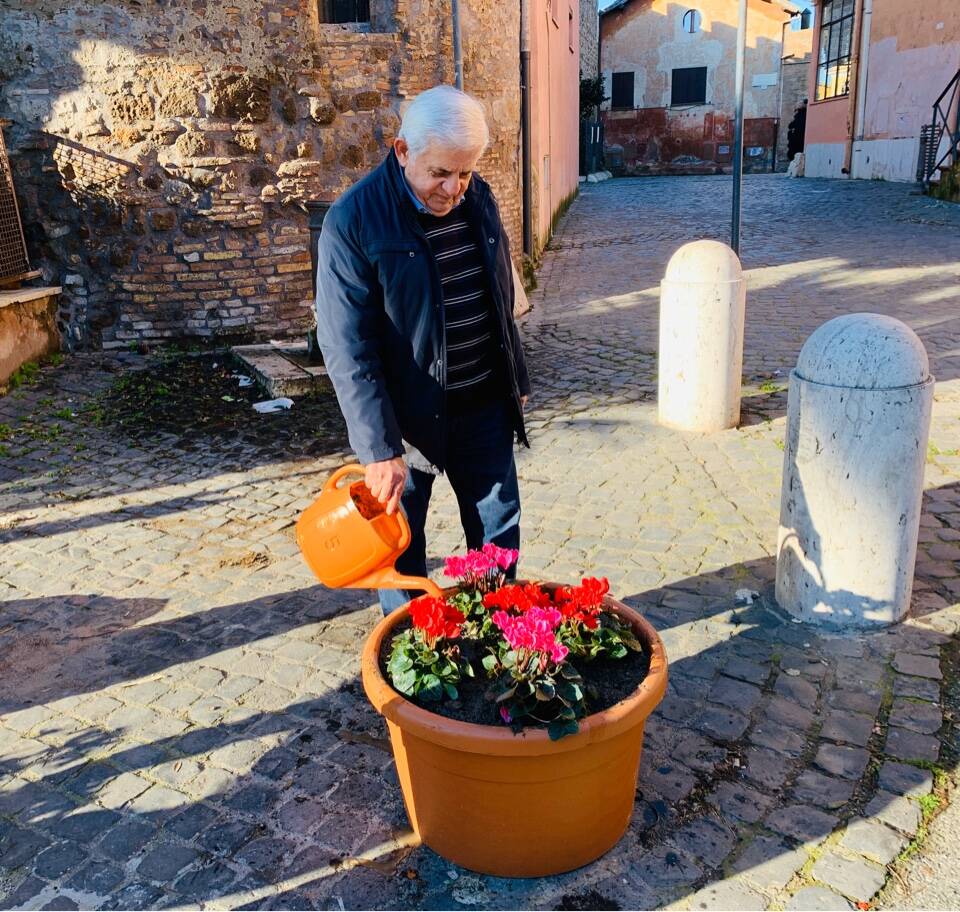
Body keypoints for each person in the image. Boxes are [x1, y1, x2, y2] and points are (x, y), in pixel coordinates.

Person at [314, 85, 530, 614]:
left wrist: (515, 380)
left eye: (465, 173)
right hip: (405, 423)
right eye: (440, 174)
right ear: (403, 150)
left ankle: (500, 637)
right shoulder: (353, 221)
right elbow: (347, 346)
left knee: (498, 533)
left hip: (483, 406)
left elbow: (497, 292)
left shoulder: (477, 196)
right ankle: (415, 656)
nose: (453, 189)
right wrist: (378, 449)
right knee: (401, 550)